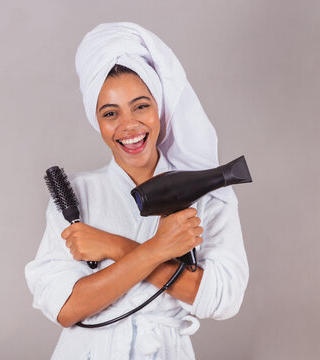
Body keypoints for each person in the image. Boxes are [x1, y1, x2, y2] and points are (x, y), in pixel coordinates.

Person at [25, 22, 249, 360]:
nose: (129, 126)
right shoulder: (79, 196)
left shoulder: (206, 194)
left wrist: (117, 247)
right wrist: (158, 250)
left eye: (141, 106)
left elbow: (222, 299)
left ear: (159, 108)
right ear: (96, 121)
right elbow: (67, 308)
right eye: (110, 113)